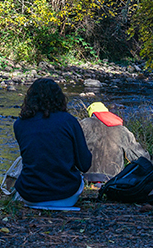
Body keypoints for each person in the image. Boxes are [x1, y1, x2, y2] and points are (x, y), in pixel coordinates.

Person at [13, 78, 92, 208]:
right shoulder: (69, 121)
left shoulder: (19, 124)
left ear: (30, 99)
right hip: (67, 195)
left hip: (30, 194)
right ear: (59, 98)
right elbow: (85, 164)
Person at [79, 102, 153, 183]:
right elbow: (139, 156)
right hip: (113, 180)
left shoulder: (83, 125)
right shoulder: (122, 129)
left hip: (86, 178)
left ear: (91, 114)